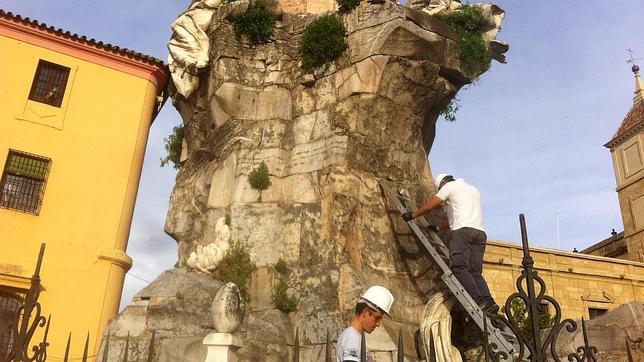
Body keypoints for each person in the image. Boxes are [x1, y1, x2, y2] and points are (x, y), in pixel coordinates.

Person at [401, 173, 499, 314]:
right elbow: (456, 215)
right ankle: (489, 301)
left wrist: (412, 215)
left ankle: (478, 300)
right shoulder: (472, 189)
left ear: (442, 183)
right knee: (474, 271)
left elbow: (429, 206)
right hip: (480, 234)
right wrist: (438, 228)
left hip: (462, 232)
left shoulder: (450, 187)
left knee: (459, 267)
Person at [336, 286, 394, 362]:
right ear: (366, 313)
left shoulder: (355, 336)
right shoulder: (352, 337)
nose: (378, 324)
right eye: (377, 318)